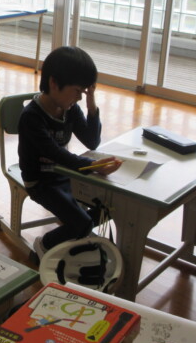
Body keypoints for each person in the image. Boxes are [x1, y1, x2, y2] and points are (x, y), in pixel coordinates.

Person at [18, 46, 122, 260]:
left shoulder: (69, 109)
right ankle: (44, 244)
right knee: (82, 222)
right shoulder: (32, 117)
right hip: (40, 182)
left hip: (65, 175)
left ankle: (76, 233)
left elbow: (92, 141)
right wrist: (93, 166)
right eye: (77, 91)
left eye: (84, 92)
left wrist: (92, 105)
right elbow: (55, 153)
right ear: (54, 83)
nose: (80, 98)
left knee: (109, 207)